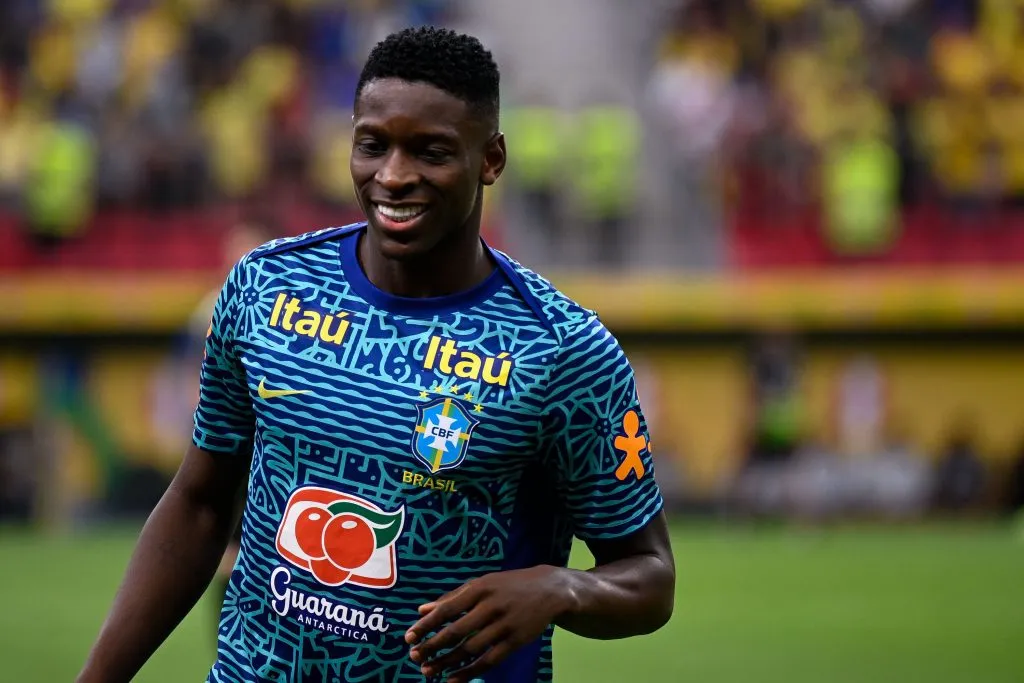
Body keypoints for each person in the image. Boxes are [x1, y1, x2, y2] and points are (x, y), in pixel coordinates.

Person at [76, 26, 675, 683]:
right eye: (372, 145)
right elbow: (200, 504)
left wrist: (561, 588)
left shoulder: (561, 350)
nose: (392, 175)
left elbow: (650, 576)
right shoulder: (265, 288)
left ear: (491, 158)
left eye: (431, 151)